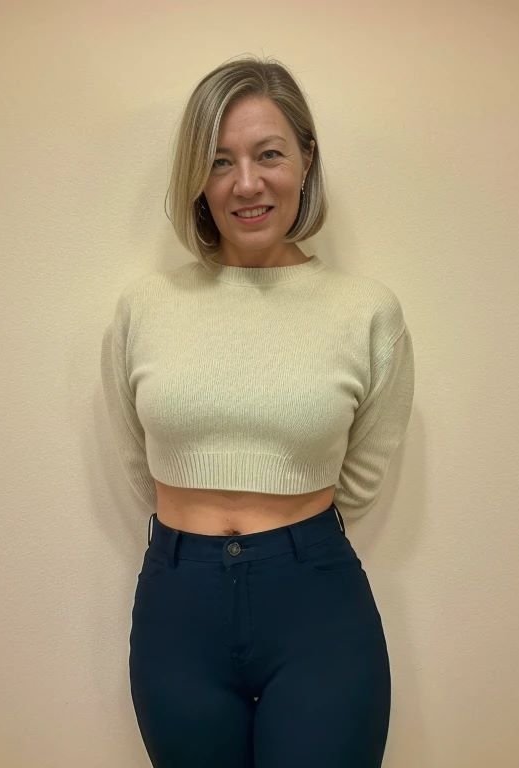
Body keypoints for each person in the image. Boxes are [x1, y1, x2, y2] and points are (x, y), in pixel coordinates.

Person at [100, 55, 414, 768]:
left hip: (315, 607)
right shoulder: (145, 308)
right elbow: (137, 457)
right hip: (178, 608)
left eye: (268, 154)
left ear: (306, 160)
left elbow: (362, 472)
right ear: (196, 179)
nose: (246, 183)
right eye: (219, 161)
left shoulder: (366, 311)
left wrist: (290, 538)